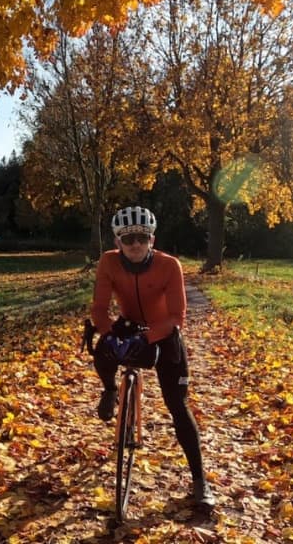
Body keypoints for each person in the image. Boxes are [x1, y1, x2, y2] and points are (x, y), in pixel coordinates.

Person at [90, 205, 215, 507]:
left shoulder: (169, 265)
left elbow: (176, 316)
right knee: (102, 351)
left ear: (152, 240)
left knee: (177, 405)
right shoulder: (108, 262)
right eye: (128, 238)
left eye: (142, 238)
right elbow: (98, 309)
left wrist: (146, 338)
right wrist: (109, 334)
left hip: (163, 332)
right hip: (129, 323)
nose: (135, 244)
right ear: (117, 241)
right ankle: (109, 390)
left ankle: (200, 482)